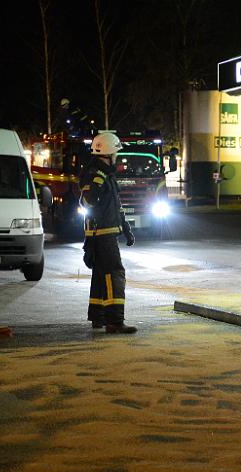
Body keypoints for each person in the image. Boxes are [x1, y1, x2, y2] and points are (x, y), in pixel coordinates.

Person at [80, 131, 138, 333]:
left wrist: (126, 228)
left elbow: (116, 206)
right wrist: (97, 182)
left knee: (101, 274)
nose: (117, 157)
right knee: (115, 273)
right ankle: (115, 321)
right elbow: (87, 202)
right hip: (101, 233)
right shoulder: (96, 174)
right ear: (108, 153)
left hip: (107, 231)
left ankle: (99, 316)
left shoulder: (107, 175)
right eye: (116, 154)